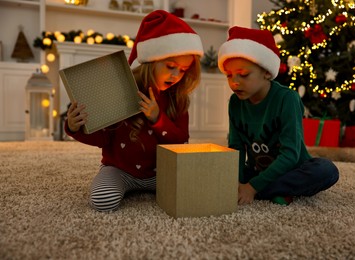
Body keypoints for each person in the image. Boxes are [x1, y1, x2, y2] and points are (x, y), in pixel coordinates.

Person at [65, 10, 204, 212]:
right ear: (150, 61)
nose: (176, 75)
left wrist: (158, 119)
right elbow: (101, 139)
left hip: (161, 173)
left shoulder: (177, 98)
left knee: (195, 191)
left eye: (183, 70)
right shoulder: (120, 90)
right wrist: (74, 127)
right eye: (171, 66)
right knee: (103, 200)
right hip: (120, 170)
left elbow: (181, 142)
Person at [217, 26, 339, 206]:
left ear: (266, 72)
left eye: (243, 74)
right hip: (258, 170)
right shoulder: (235, 103)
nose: (235, 82)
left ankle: (264, 190)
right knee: (217, 166)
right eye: (229, 75)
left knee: (327, 170)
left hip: (292, 168)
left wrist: (251, 187)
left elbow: (290, 154)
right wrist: (239, 183)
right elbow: (236, 148)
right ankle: (276, 191)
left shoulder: (287, 99)